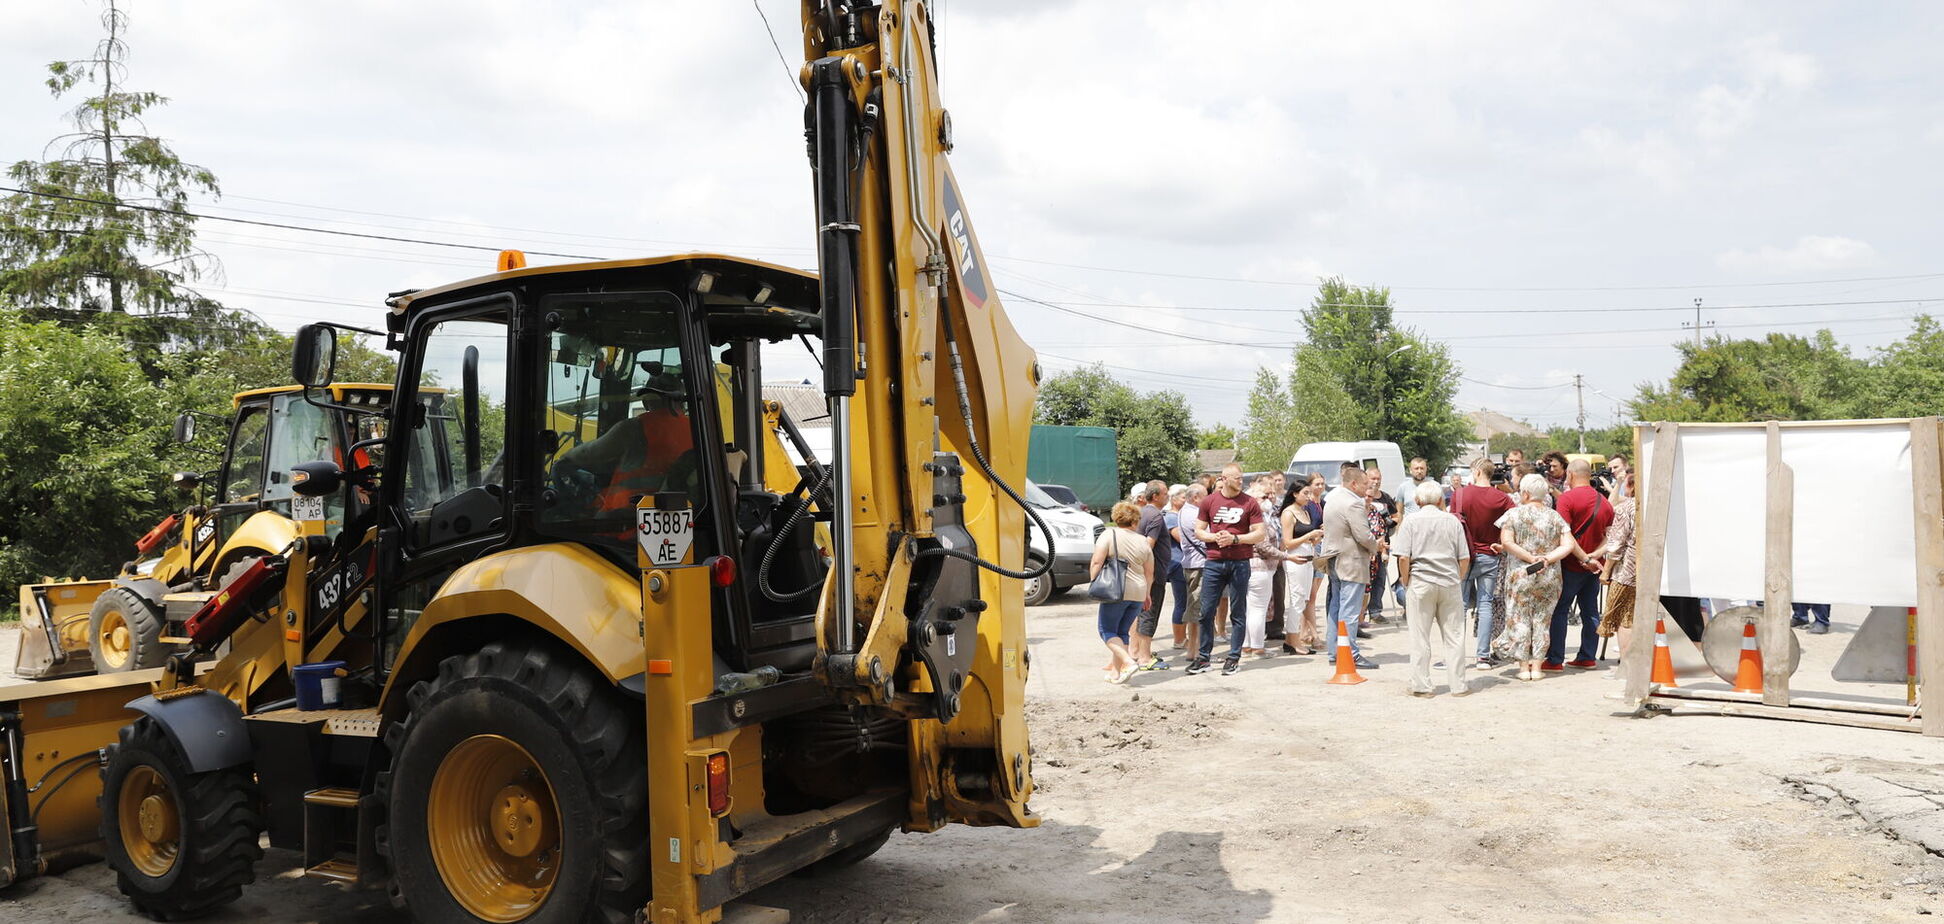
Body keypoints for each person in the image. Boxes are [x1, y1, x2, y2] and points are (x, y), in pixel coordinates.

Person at [1496, 474, 1578, 681]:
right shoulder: (1555, 516)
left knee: (1520, 618)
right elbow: (1568, 545)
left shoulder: (1513, 515)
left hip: (1521, 574)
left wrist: (1530, 558)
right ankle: (1538, 667)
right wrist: (1547, 559)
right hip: (1549, 575)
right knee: (1543, 619)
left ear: (1524, 493)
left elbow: (1506, 542)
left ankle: (1524, 667)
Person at [1395, 481, 1472, 696]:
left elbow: (1403, 556)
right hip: (1449, 582)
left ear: (1417, 501)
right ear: (1440, 500)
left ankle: (1421, 685)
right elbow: (1464, 557)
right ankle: (1458, 685)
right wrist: (1457, 578)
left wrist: (1405, 579)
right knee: (1454, 635)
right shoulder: (1452, 521)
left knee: (1420, 636)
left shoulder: (1410, 521)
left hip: (1421, 582)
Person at [1192, 464, 1265, 676]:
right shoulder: (1209, 501)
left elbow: (1259, 533)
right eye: (1237, 478)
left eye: (1241, 478)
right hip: (1214, 561)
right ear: (1224, 479)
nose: (1240, 481)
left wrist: (1235, 538)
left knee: (1238, 611)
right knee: (1206, 611)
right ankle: (1203, 657)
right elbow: (1198, 529)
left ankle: (1233, 657)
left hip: (1240, 562)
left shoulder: (1249, 502)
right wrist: (1214, 537)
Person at [1547, 459, 1613, 671]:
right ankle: (1587, 656)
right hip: (1595, 568)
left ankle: (1555, 660)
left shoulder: (1566, 499)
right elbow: (1610, 536)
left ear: (1571, 475)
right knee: (1591, 611)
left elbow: (1564, 534)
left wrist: (1584, 558)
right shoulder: (1604, 501)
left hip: (1570, 565)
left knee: (1560, 610)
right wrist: (1595, 556)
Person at [1452, 457, 1515, 672]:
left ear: (1477, 472)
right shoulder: (1502, 498)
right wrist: (1501, 542)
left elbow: (1453, 526)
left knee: (1459, 605)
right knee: (1485, 604)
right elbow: (1513, 520)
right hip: (1490, 554)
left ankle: (1456, 655)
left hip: (1464, 556)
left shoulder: (1460, 495)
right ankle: (1483, 656)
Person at [1321, 463, 1381, 668]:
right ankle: (1351, 654)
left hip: (1335, 560)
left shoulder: (1332, 499)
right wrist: (1376, 546)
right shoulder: (1353, 503)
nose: (1368, 488)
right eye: (1365, 484)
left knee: (1336, 609)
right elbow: (1363, 535)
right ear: (1354, 484)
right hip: (1351, 562)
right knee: (1349, 611)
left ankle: (1334, 652)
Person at [1091, 501, 1154, 684]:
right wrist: (1147, 594)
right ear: (1135, 521)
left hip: (1117, 590)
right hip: (1138, 591)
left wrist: (1094, 581)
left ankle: (1127, 662)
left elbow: (1097, 561)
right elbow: (1150, 572)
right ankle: (1116, 673)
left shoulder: (1109, 534)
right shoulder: (1143, 540)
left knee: (1107, 631)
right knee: (1122, 632)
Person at [1244, 474, 1297, 657]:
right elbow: (1263, 546)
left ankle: (1247, 645)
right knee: (1258, 609)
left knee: (1250, 609)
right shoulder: (1257, 519)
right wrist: (1286, 556)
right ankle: (1257, 647)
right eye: (1264, 496)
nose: (1269, 499)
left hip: (1255, 567)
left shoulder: (1256, 516)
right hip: (1259, 568)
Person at [1597, 470, 1640, 678]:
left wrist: (1606, 571)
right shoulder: (1658, 507)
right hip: (1654, 571)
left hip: (1628, 572)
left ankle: (1627, 666)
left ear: (1630, 487)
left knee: (1626, 619)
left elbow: (1615, 546)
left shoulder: (1627, 509)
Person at [1129, 480, 1174, 671]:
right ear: (1155, 496)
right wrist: (1150, 575)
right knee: (1149, 612)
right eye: (1165, 494)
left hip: (1140, 573)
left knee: (1138, 613)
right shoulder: (1155, 516)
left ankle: (1135, 651)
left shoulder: (1141, 513)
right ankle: (1145, 657)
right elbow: (1147, 546)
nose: (1167, 497)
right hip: (1152, 575)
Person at [1279, 478, 1325, 654]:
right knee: (1297, 600)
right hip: (1295, 559)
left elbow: (1309, 539)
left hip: (1308, 559)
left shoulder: (1305, 512)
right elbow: (1288, 542)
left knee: (1304, 599)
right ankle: (1293, 639)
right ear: (1295, 493)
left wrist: (1317, 536)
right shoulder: (1289, 513)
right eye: (1305, 493)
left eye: (1309, 493)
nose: (1308, 496)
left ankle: (1292, 639)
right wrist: (1309, 535)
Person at [1176, 483, 1209, 656]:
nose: (1209, 498)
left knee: (1196, 605)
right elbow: (1203, 540)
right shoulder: (1193, 514)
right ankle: (1194, 649)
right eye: (1205, 495)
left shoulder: (1185, 511)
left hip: (1194, 563)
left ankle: (1194, 648)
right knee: (1197, 606)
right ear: (1195, 497)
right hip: (1198, 565)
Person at [1364, 469, 1399, 625]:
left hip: (1383, 545)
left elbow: (1397, 515)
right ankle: (1361, 613)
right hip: (1366, 548)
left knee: (1380, 578)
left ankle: (1375, 611)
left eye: (1378, 478)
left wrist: (1391, 522)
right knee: (1365, 581)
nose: (1376, 481)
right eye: (1373, 478)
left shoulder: (1386, 498)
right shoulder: (1362, 497)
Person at [1165, 485, 1191, 648]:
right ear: (1174, 500)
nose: (1186, 500)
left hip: (1184, 563)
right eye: (1183, 497)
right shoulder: (1171, 518)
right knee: (1182, 602)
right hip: (1178, 565)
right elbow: (1183, 539)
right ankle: (1179, 639)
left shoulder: (1181, 516)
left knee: (1187, 602)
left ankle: (1184, 636)